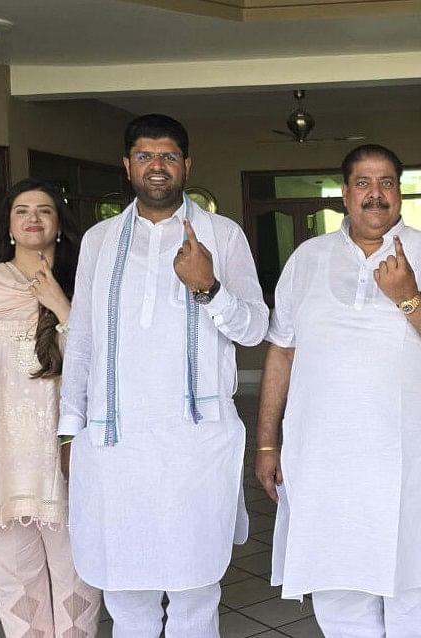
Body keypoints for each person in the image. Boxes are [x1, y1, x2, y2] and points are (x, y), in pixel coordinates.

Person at [255, 143, 421, 636]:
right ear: (344, 193)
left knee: (417, 601)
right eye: (363, 183)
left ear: (399, 192)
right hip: (325, 465)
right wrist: (268, 443)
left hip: (409, 463)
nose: (375, 195)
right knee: (340, 601)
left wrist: (409, 297)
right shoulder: (307, 259)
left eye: (386, 184)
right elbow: (281, 352)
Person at [59, 114, 268, 637]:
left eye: (169, 156)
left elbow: (255, 328)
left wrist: (209, 287)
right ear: (127, 165)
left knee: (195, 587)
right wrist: (69, 425)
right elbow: (82, 336)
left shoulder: (223, 234)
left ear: (187, 165)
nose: (158, 166)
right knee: (125, 589)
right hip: (116, 442)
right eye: (146, 156)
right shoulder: (100, 240)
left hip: (193, 442)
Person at [0, 179, 100, 636]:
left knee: (77, 582)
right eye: (22, 210)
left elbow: (108, 365)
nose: (33, 218)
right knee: (17, 585)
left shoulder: (85, 287)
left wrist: (60, 304)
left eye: (44, 210)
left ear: (59, 226)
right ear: (9, 225)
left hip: (68, 461)